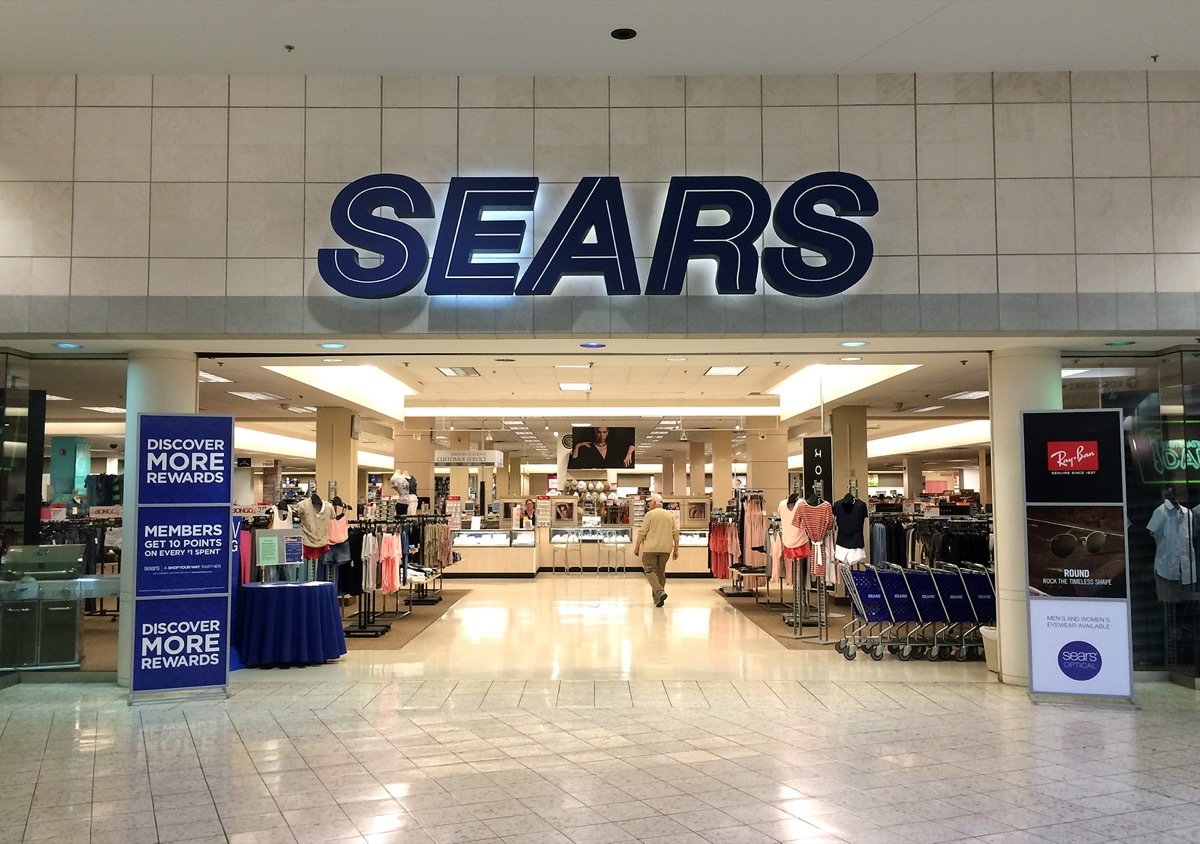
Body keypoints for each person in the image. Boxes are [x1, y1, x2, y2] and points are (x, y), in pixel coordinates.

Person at [633, 493, 679, 607]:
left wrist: (637, 546)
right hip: (666, 549)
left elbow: (642, 532)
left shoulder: (650, 515)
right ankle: (658, 599)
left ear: (654, 502)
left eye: (650, 502)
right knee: (660, 573)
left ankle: (659, 592)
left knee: (649, 570)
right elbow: (676, 532)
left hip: (651, 548)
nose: (649, 504)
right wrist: (676, 549)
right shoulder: (670, 515)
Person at [569, 426, 635, 469]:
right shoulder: (588, 448)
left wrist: (629, 453)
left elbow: (632, 445)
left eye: (604, 432)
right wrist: (577, 446)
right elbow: (575, 464)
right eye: (599, 432)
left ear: (608, 432)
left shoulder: (614, 447)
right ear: (595, 432)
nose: (602, 435)